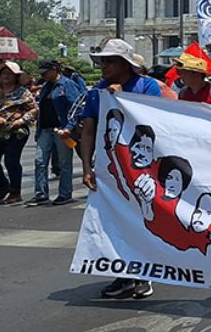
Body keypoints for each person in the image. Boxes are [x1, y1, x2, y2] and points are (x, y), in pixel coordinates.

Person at [78, 38, 171, 301]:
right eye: (102, 61)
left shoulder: (147, 86)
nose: (103, 66)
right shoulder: (97, 92)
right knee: (115, 222)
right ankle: (123, 274)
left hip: (142, 167)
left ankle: (144, 275)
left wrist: (122, 98)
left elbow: (156, 121)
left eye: (109, 61)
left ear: (125, 64)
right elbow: (88, 129)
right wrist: (87, 166)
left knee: (142, 219)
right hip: (110, 168)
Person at [0, 62, 39, 205]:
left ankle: (15, 191)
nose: (6, 76)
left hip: (15, 131)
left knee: (11, 161)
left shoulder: (22, 92)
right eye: (3, 73)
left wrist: (22, 120)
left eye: (9, 73)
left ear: (16, 76)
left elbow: (34, 109)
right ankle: (3, 185)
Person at [27, 60, 85, 207]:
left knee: (64, 163)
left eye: (45, 72)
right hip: (45, 129)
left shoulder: (67, 85)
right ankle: (41, 194)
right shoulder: (46, 86)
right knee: (40, 161)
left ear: (54, 70)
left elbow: (77, 107)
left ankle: (65, 193)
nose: (43, 75)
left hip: (62, 129)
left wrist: (69, 128)